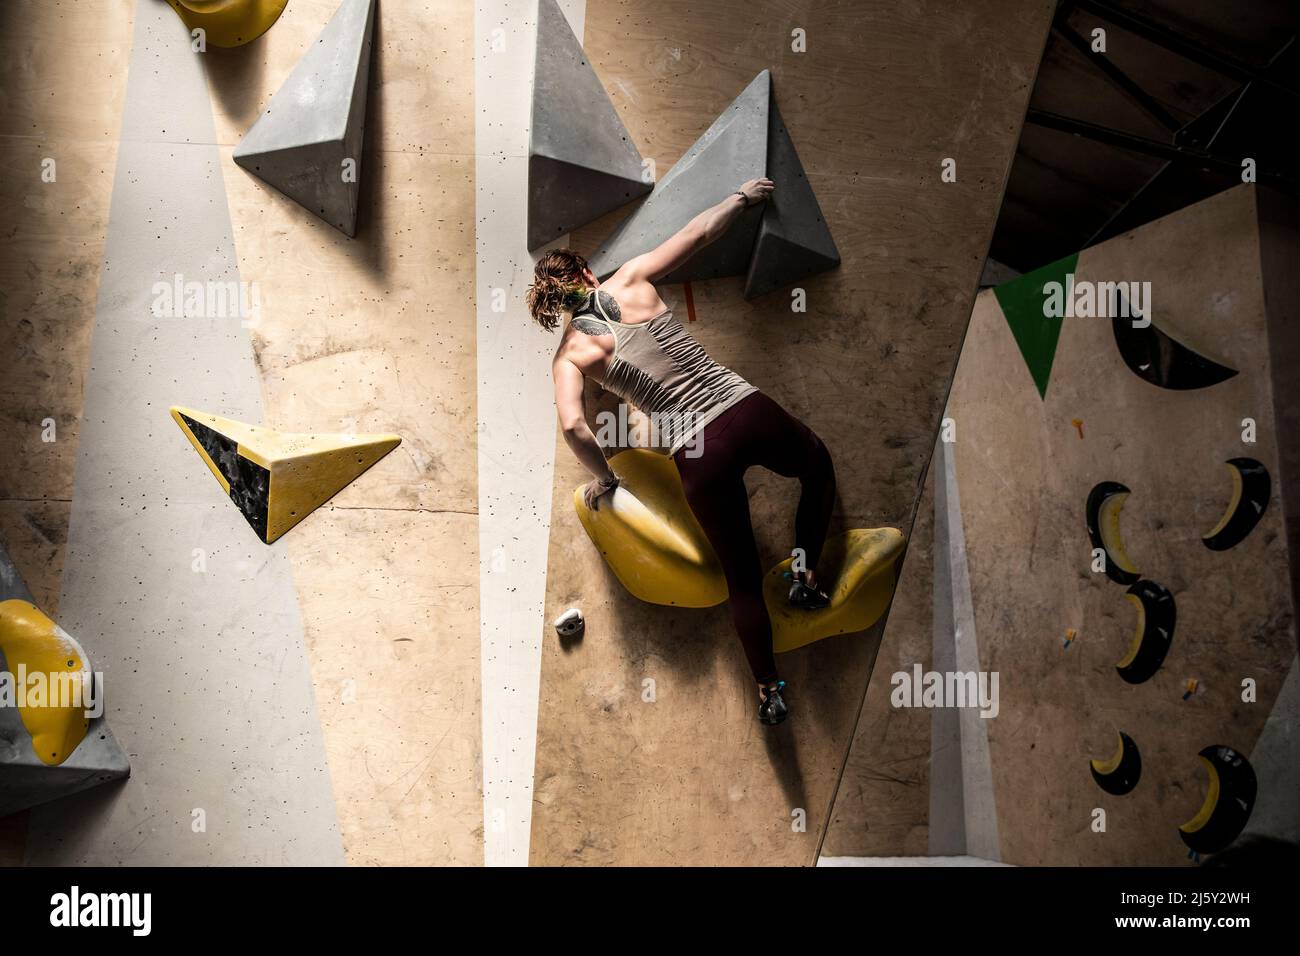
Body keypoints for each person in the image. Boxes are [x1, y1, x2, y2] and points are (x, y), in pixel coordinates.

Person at [526, 178, 836, 725]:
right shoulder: (634, 277)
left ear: (556, 304)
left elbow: (574, 424)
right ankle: (805, 575)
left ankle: (769, 690)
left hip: (695, 450)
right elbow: (698, 233)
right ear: (587, 274)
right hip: (743, 409)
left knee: (741, 578)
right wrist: (742, 197)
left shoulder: (568, 356)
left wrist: (607, 479)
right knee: (817, 464)